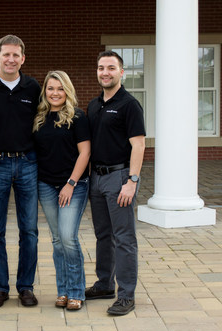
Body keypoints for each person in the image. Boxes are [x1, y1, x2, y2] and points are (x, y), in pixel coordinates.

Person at [0, 35, 41, 308]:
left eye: (16, 55)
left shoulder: (33, 87)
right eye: (6, 55)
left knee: (29, 230)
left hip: (27, 163)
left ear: (23, 58)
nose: (11, 59)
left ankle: (25, 287)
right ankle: (0, 288)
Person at [85, 50, 146, 316]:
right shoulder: (94, 104)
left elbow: (139, 144)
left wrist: (132, 181)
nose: (105, 72)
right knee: (103, 236)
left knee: (124, 238)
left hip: (120, 178)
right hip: (96, 178)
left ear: (122, 72)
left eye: (111, 68)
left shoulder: (129, 104)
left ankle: (126, 295)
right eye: (101, 68)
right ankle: (104, 284)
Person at [33, 71, 90, 310]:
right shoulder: (38, 118)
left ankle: (77, 291)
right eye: (50, 88)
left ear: (67, 90)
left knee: (68, 238)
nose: (54, 93)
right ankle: (63, 290)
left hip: (73, 186)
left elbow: (85, 153)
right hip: (46, 185)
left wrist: (70, 183)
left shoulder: (77, 117)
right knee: (57, 240)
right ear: (45, 91)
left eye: (59, 88)